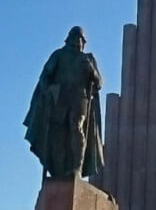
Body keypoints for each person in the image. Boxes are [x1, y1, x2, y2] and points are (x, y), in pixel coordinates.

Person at [23, 26, 104, 180]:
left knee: (77, 127)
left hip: (80, 99)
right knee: (59, 134)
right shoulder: (59, 55)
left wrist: (92, 71)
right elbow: (45, 77)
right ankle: (59, 169)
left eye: (81, 39)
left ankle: (76, 168)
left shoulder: (88, 59)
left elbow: (99, 83)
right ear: (70, 38)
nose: (78, 42)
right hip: (61, 99)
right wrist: (49, 91)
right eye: (76, 37)